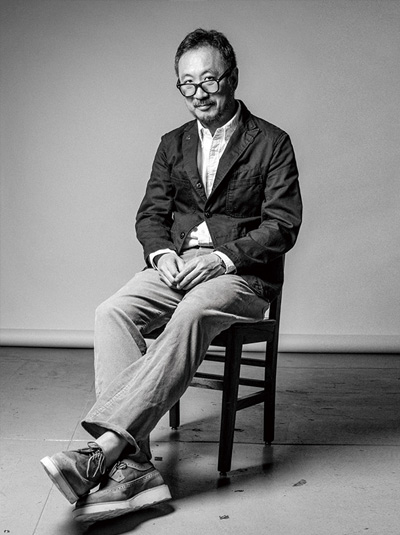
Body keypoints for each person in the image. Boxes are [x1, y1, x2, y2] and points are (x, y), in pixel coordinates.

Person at [40, 28, 302, 524]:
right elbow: (151, 215)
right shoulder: (172, 143)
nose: (198, 93)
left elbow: (282, 225)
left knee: (194, 310)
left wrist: (221, 258)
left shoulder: (272, 142)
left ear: (233, 78)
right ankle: (133, 467)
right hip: (177, 266)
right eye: (187, 83)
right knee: (112, 311)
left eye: (209, 80)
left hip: (241, 275)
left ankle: (105, 450)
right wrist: (162, 256)